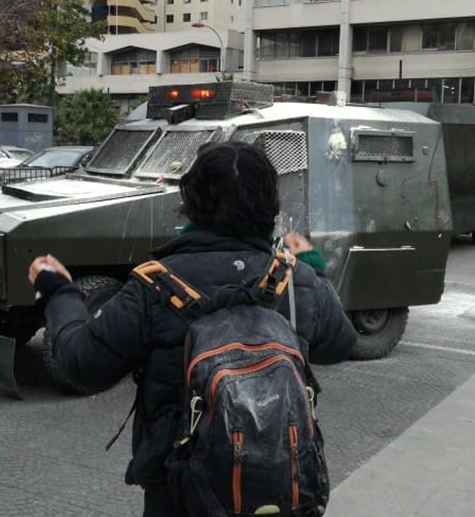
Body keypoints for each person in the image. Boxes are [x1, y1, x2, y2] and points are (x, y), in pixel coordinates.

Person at [28, 141, 357, 517]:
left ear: (192, 200)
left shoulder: (154, 286)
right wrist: (312, 268)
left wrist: (59, 292)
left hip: (179, 490)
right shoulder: (295, 279)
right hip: (283, 486)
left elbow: (81, 363)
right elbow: (340, 343)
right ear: (270, 205)